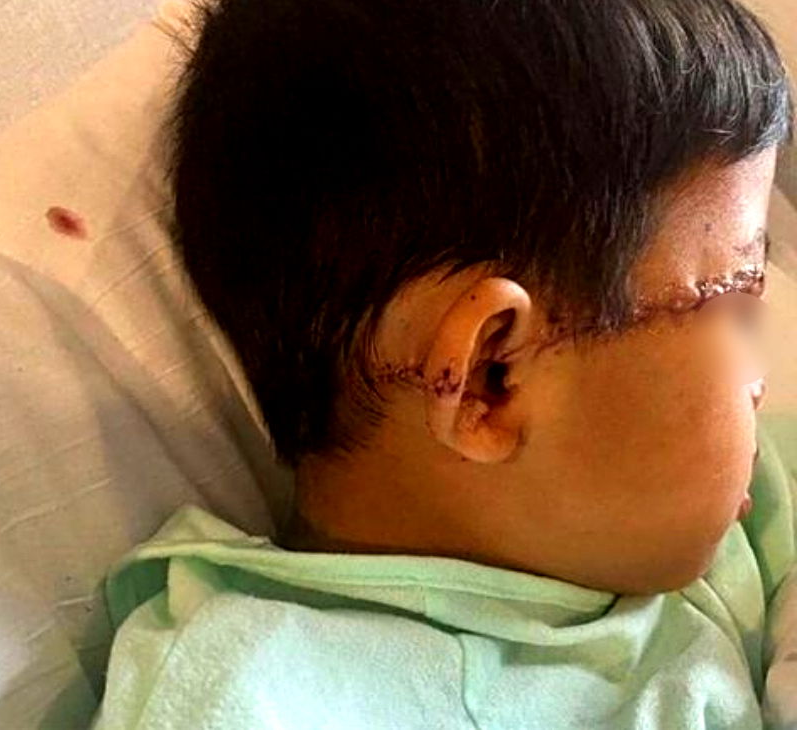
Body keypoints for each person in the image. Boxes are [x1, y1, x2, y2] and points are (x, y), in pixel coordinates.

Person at [91, 0, 797, 726]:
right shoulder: (252, 698)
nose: (758, 373)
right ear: (492, 379)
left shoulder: (728, 513)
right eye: (739, 297)